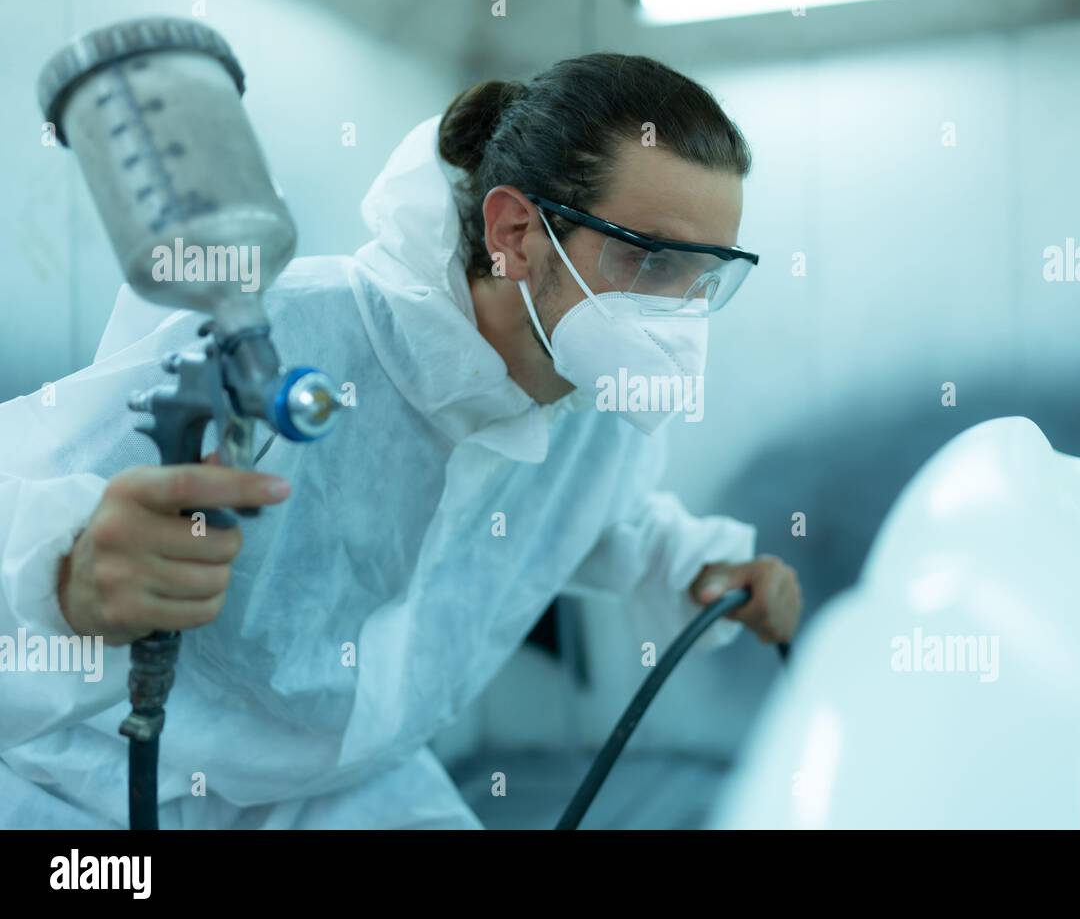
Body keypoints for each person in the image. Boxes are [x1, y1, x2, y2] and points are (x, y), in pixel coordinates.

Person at [0, 53, 802, 828]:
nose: (680, 316)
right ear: (516, 232)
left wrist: (708, 569)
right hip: (97, 786)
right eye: (650, 260)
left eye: (706, 277)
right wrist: (64, 584)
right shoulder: (290, 331)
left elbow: (606, 521)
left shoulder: (595, 408)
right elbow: (28, 500)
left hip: (346, 786)